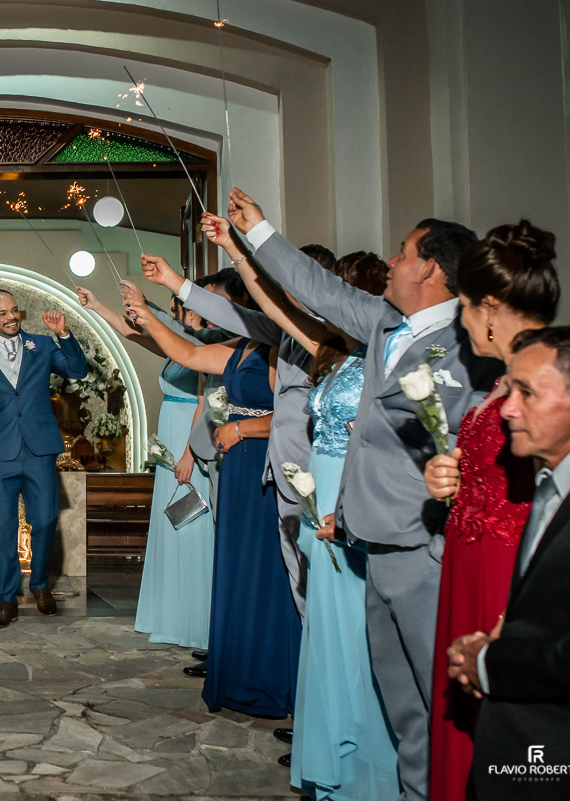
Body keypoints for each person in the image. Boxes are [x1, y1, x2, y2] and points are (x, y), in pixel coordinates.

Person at [224, 187, 504, 801]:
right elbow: (322, 292)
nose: (392, 264)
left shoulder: (466, 343)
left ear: (430, 268)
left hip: (425, 549)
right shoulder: (385, 326)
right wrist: (261, 232)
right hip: (370, 541)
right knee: (403, 707)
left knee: (445, 705)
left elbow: (485, 436)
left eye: (403, 254)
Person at [199, 215, 398, 795]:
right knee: (317, 611)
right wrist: (238, 255)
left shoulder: (390, 356)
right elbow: (271, 307)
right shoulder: (329, 353)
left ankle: (362, 748)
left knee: (353, 622)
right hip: (317, 492)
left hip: (351, 496)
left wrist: (246, 245)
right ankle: (326, 736)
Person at [420, 222, 558, 801]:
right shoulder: (503, 381)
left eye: (466, 308)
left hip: (504, 580)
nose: (460, 321)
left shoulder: (548, 380)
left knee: (506, 743)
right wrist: (446, 479)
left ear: (492, 309)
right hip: (469, 565)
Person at [445, 327, 570, 801]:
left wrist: (493, 662)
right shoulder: (554, 479)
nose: (508, 408)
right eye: (509, 389)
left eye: (527, 393)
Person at [124, 288, 300, 719]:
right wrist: (145, 314)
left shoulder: (282, 351)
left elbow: (295, 415)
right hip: (236, 465)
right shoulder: (236, 349)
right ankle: (239, 673)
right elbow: (185, 353)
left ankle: (273, 677)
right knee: (236, 568)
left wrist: (241, 430)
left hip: (260, 460)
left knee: (264, 570)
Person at [141, 243, 338, 628]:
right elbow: (194, 354)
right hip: (247, 462)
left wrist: (241, 427)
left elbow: (292, 414)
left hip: (292, 461)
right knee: (245, 561)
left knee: (291, 573)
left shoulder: (325, 339)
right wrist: (162, 296)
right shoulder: (268, 334)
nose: (279, 289)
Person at [76, 281, 220, 650]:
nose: (181, 315)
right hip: (171, 433)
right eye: (179, 310)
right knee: (171, 522)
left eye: (187, 309)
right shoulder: (176, 347)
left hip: (190, 437)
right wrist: (96, 305)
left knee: (190, 520)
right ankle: (169, 614)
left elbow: (206, 404)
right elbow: (130, 332)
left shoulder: (205, 348)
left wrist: (191, 453)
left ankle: (195, 621)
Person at [0, 289, 88, 627]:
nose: (11, 317)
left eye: (14, 311)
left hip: (39, 448)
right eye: (2, 313)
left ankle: (40, 584)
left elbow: (77, 369)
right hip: (0, 452)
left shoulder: (41, 345)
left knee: (44, 520)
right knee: (3, 527)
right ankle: (6, 599)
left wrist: (64, 335)